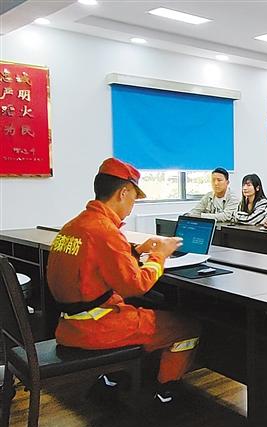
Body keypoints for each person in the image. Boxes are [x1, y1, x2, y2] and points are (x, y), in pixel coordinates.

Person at [47, 158, 199, 404]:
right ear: (123, 192)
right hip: (95, 328)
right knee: (185, 326)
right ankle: (167, 393)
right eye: (133, 199)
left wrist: (137, 251)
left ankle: (111, 380)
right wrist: (160, 255)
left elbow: (95, 267)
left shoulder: (73, 226)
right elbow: (135, 286)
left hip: (70, 325)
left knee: (147, 311)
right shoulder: (105, 230)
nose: (132, 207)